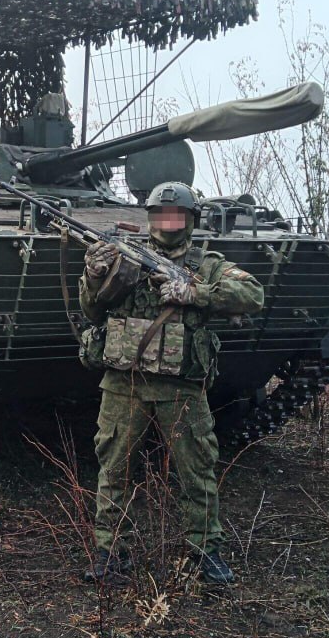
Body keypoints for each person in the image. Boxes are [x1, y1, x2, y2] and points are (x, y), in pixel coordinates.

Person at [78, 182, 264, 585]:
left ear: (190, 220)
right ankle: (111, 552)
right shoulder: (124, 256)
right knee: (114, 470)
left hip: (181, 387)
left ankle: (205, 551)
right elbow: (91, 310)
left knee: (197, 470)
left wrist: (196, 293)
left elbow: (252, 294)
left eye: (176, 216)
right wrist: (93, 275)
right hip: (124, 382)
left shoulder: (205, 264)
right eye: (160, 216)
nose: (167, 223)